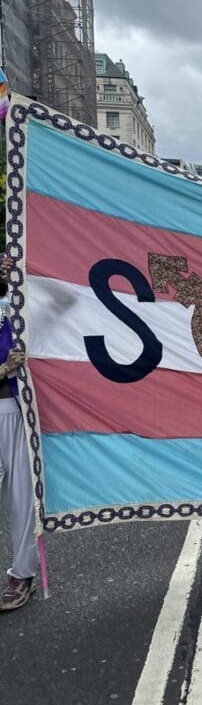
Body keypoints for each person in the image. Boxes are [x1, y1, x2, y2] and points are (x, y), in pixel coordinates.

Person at [0, 257, 37, 611]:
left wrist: (21, 271)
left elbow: (66, 302)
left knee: (21, 496)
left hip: (12, 409)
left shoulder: (16, 306)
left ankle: (22, 574)